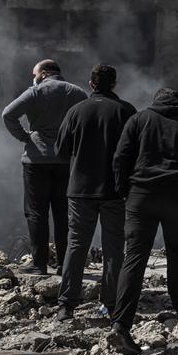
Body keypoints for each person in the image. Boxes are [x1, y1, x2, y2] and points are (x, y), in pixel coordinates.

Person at [108, 87, 178, 354]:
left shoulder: (138, 119)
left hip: (141, 195)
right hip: (177, 196)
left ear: (155, 100)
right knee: (176, 249)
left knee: (135, 255)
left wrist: (123, 191)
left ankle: (120, 324)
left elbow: (120, 158)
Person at [53, 63, 136, 320]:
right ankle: (111, 305)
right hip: (115, 191)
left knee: (77, 245)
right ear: (114, 84)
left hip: (81, 190)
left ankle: (66, 305)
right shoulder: (126, 111)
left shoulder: (76, 111)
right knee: (114, 248)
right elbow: (138, 152)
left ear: (91, 85)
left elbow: (60, 151)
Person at [2, 59, 88, 275]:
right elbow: (87, 123)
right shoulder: (78, 93)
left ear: (43, 74)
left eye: (35, 74)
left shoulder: (36, 92)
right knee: (63, 213)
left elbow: (8, 114)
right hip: (66, 161)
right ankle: (64, 264)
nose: (34, 78)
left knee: (36, 213)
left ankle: (39, 264)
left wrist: (24, 137)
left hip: (36, 160)